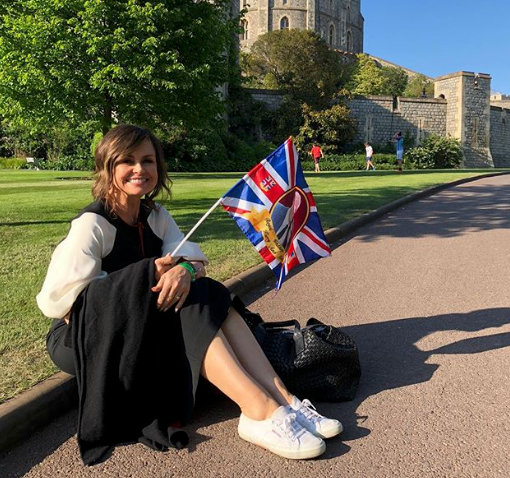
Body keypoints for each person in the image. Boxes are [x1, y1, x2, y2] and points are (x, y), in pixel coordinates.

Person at [37, 124, 342, 465]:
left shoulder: (155, 216)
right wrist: (146, 274)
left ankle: (283, 400)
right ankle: (257, 409)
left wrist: (185, 270)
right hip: (82, 336)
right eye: (128, 161)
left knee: (206, 292)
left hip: (140, 321)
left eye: (148, 160)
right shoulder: (92, 225)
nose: (140, 169)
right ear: (108, 167)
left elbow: (193, 259)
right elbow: (59, 301)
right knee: (193, 305)